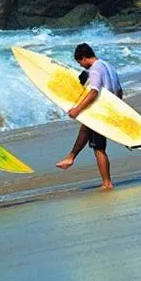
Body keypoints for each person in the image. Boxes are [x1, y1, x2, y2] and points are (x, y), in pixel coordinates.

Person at [55, 43, 122, 189]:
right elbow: (119, 90)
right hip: (109, 110)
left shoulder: (95, 70)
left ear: (84, 58)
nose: (81, 65)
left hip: (101, 112)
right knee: (85, 128)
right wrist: (118, 110)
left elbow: (94, 91)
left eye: (80, 62)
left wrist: (77, 109)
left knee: (98, 148)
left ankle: (107, 183)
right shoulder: (108, 66)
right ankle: (71, 157)